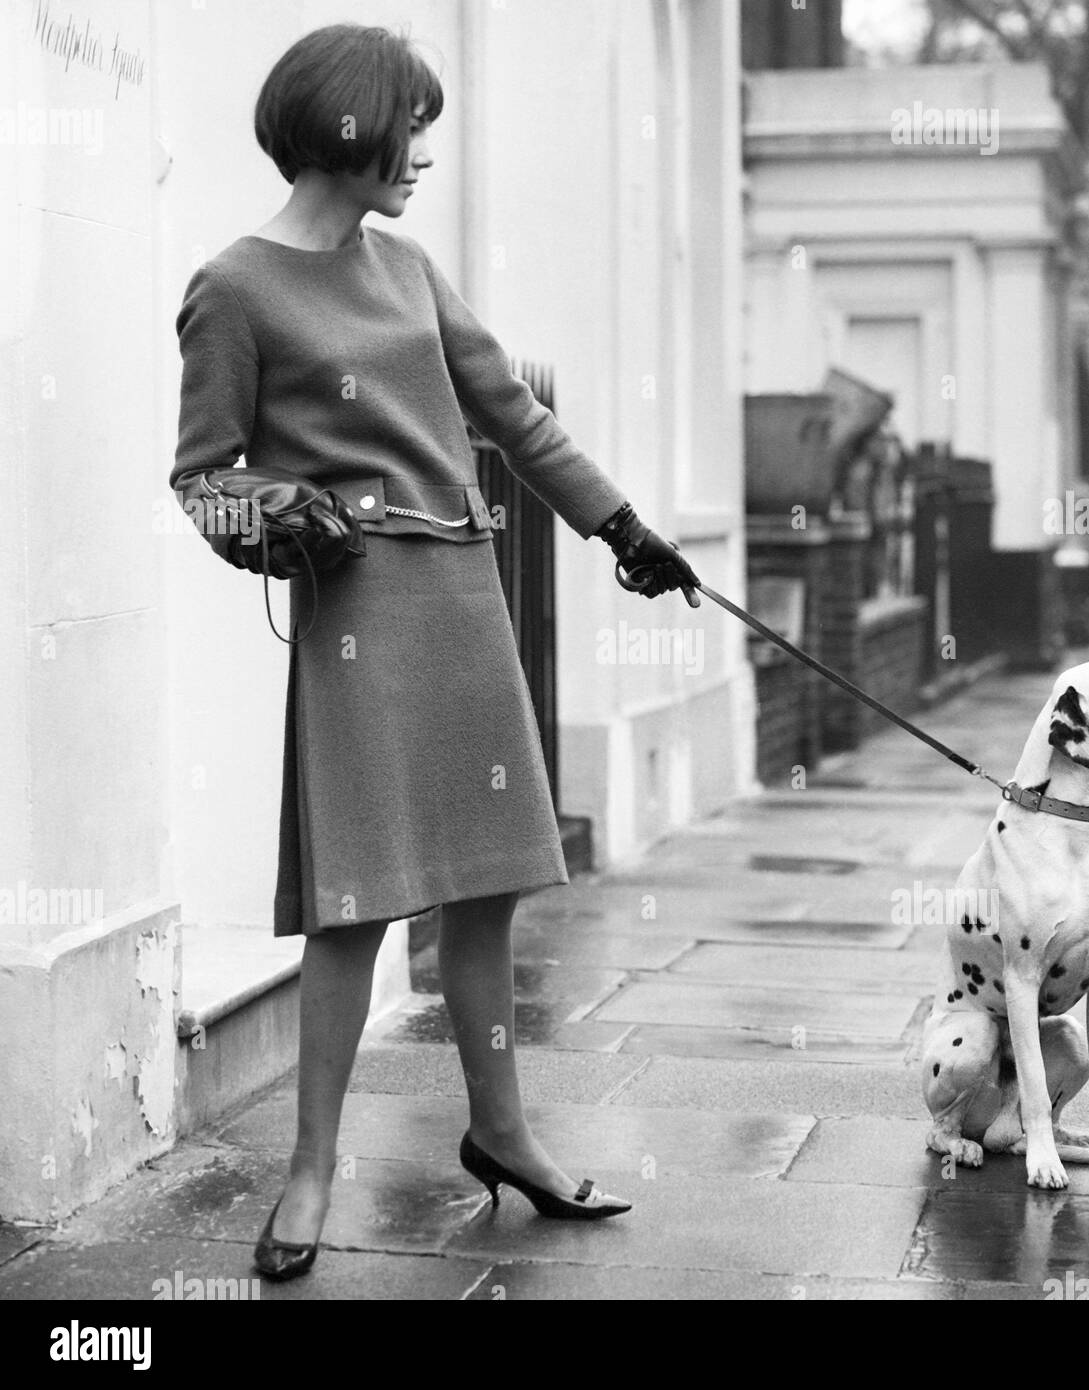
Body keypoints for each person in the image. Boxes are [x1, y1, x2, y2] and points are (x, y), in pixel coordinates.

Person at [170, 23, 700, 1282]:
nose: (420, 156)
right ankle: (309, 1170)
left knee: (486, 887)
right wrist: (270, 513)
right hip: (359, 617)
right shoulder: (232, 288)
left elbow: (511, 412)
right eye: (409, 127)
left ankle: (502, 1130)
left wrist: (623, 527)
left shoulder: (407, 270)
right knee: (354, 905)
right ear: (350, 126)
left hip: (466, 598)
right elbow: (202, 477)